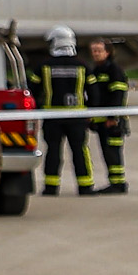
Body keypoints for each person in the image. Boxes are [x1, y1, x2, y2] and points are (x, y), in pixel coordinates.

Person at [76, 37, 131, 194]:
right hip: (101, 120)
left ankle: (118, 183)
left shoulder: (114, 70)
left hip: (112, 121)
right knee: (107, 151)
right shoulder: (97, 70)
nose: (96, 54)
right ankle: (114, 181)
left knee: (113, 152)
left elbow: (118, 96)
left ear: (108, 52)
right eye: (94, 51)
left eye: (99, 51)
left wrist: (113, 117)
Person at [37, 27, 85, 195]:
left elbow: (33, 88)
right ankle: (85, 186)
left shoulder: (44, 66)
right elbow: (93, 91)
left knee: (53, 151)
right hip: (77, 116)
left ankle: (51, 187)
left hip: (53, 116)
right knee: (79, 151)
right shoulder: (82, 65)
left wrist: (36, 109)